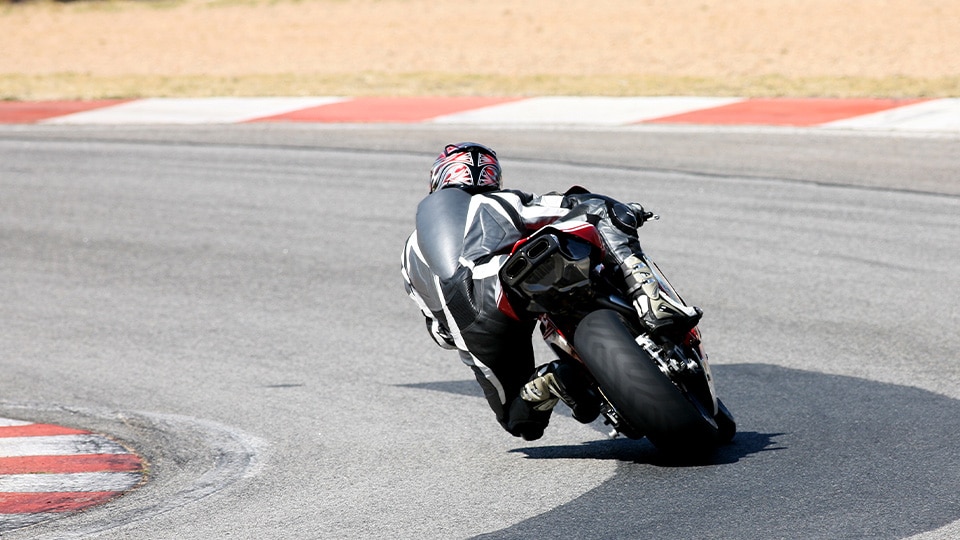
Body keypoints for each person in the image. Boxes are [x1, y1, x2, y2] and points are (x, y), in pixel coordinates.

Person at [401, 142, 700, 441]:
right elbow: (570, 208)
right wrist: (625, 212)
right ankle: (649, 296)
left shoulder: (409, 254)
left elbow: (439, 332)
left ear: (438, 177)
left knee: (520, 421)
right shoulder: (493, 203)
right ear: (492, 177)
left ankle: (556, 378)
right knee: (600, 211)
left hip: (472, 330)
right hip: (500, 283)